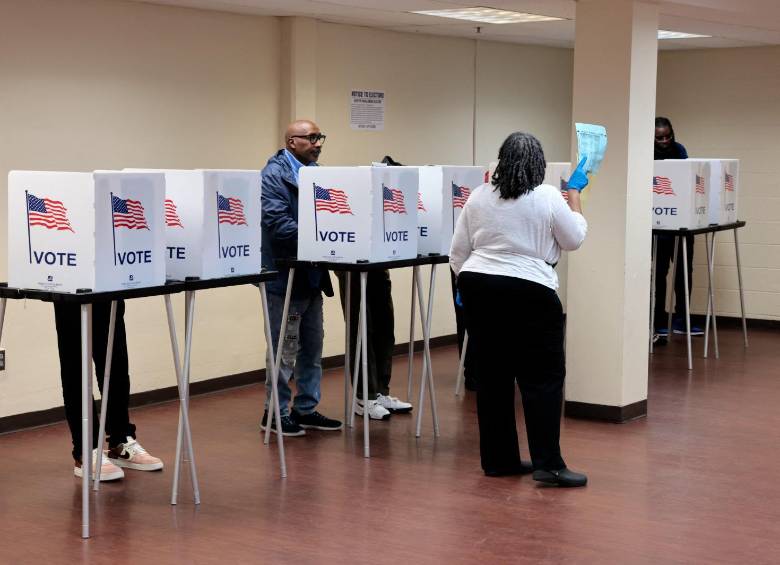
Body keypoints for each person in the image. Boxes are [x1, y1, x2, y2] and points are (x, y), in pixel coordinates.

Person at [450, 132, 589, 487]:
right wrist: (574, 197)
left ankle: (499, 461)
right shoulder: (546, 196)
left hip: (478, 285)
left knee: (492, 376)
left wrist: (474, 285)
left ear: (501, 161)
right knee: (542, 377)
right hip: (530, 288)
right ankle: (549, 466)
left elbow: (458, 253)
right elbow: (573, 239)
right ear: (539, 165)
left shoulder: (479, 196)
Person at [260, 119, 342, 436]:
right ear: (292, 142)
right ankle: (276, 413)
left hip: (310, 274)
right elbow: (278, 224)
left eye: (320, 136)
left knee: (312, 346)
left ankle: (306, 408)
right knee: (284, 349)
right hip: (284, 277)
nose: (318, 143)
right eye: (311, 138)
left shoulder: (315, 174)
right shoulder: (273, 175)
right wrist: (324, 235)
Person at [334, 155, 413, 420]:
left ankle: (380, 390)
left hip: (379, 262)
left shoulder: (384, 195)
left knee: (384, 328)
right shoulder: (356, 190)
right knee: (361, 331)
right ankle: (363, 397)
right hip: (353, 263)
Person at [54, 301, 163, 481]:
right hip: (70, 285)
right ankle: (86, 449)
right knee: (76, 366)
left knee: (116, 363)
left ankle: (120, 440)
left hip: (108, 283)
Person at [652, 116, 702, 343]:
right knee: (659, 273)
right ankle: (658, 321)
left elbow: (686, 181)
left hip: (681, 221)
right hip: (659, 224)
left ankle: (682, 320)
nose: (664, 141)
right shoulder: (646, 152)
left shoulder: (679, 149)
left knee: (684, 272)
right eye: (659, 137)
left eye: (667, 136)